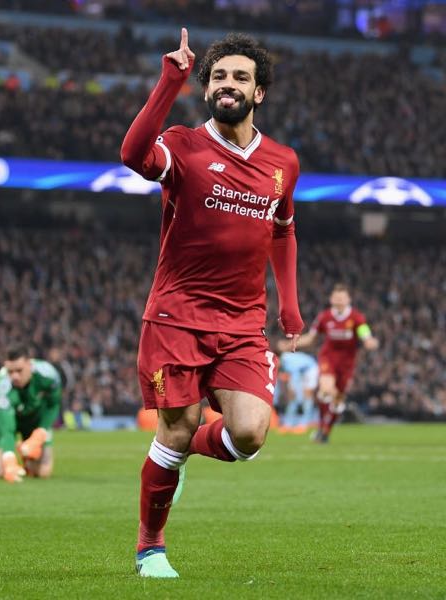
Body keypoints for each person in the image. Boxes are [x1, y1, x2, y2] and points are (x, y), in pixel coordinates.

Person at [120, 30, 303, 577]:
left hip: (243, 321)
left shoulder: (282, 162)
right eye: (219, 77)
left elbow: (283, 231)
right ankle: (150, 546)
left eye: (240, 77)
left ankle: (187, 448)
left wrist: (289, 306)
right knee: (173, 429)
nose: (228, 85)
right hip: (177, 315)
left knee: (248, 435)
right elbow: (132, 155)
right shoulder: (182, 145)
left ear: (259, 92)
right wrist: (169, 80)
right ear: (207, 89)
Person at [291, 284, 379, 442]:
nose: (339, 301)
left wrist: (369, 341)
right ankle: (322, 426)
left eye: (342, 298)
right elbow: (311, 338)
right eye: (336, 298)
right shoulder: (324, 317)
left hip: (347, 363)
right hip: (328, 358)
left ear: (348, 300)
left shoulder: (356, 318)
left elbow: (364, 333)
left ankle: (325, 431)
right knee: (325, 389)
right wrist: (293, 343)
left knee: (338, 400)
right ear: (331, 299)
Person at [0, 347, 62, 483]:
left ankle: (26, 453)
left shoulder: (48, 375)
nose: (14, 376)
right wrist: (9, 458)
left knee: (43, 472)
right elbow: (7, 428)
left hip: (34, 420)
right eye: (10, 371)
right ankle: (18, 451)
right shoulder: (2, 385)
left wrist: (41, 433)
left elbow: (53, 405)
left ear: (29, 365)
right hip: (4, 421)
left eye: (19, 371)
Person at [276, 350, 318, 432]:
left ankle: (303, 424)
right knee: (293, 398)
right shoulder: (284, 361)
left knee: (306, 395)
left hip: (311, 369)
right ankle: (288, 424)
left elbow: (294, 376)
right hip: (302, 371)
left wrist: (293, 389)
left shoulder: (287, 361)